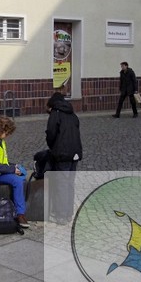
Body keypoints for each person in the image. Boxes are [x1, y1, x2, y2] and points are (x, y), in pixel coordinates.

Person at [45, 88, 82, 223]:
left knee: (61, 183)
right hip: (75, 152)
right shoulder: (72, 113)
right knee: (69, 183)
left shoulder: (55, 113)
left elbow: (51, 133)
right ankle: (68, 213)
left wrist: (53, 147)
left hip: (63, 153)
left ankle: (61, 215)